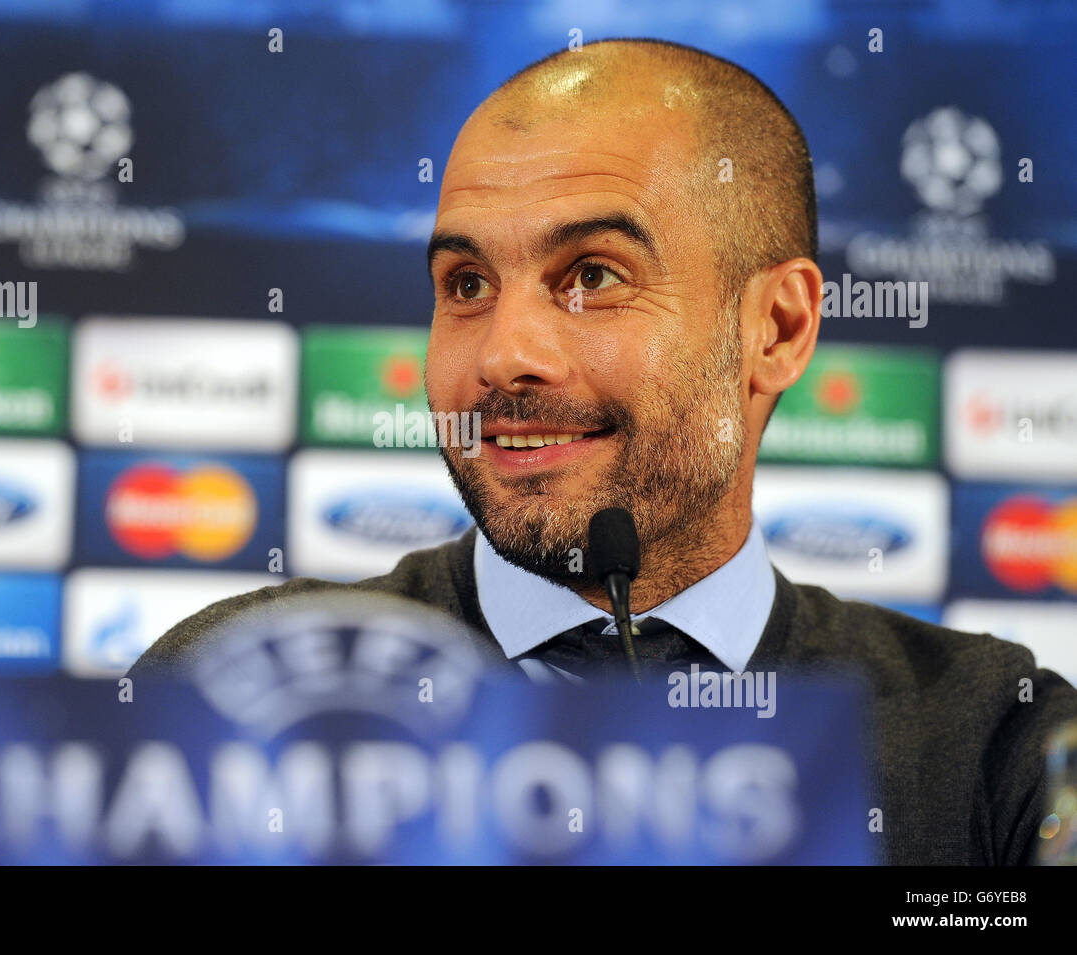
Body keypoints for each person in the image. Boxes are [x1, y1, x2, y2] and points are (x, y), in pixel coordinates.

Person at [132, 38, 1077, 864]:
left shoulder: (994, 741)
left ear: (778, 328)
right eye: (465, 283)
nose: (504, 353)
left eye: (590, 276)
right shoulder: (236, 685)